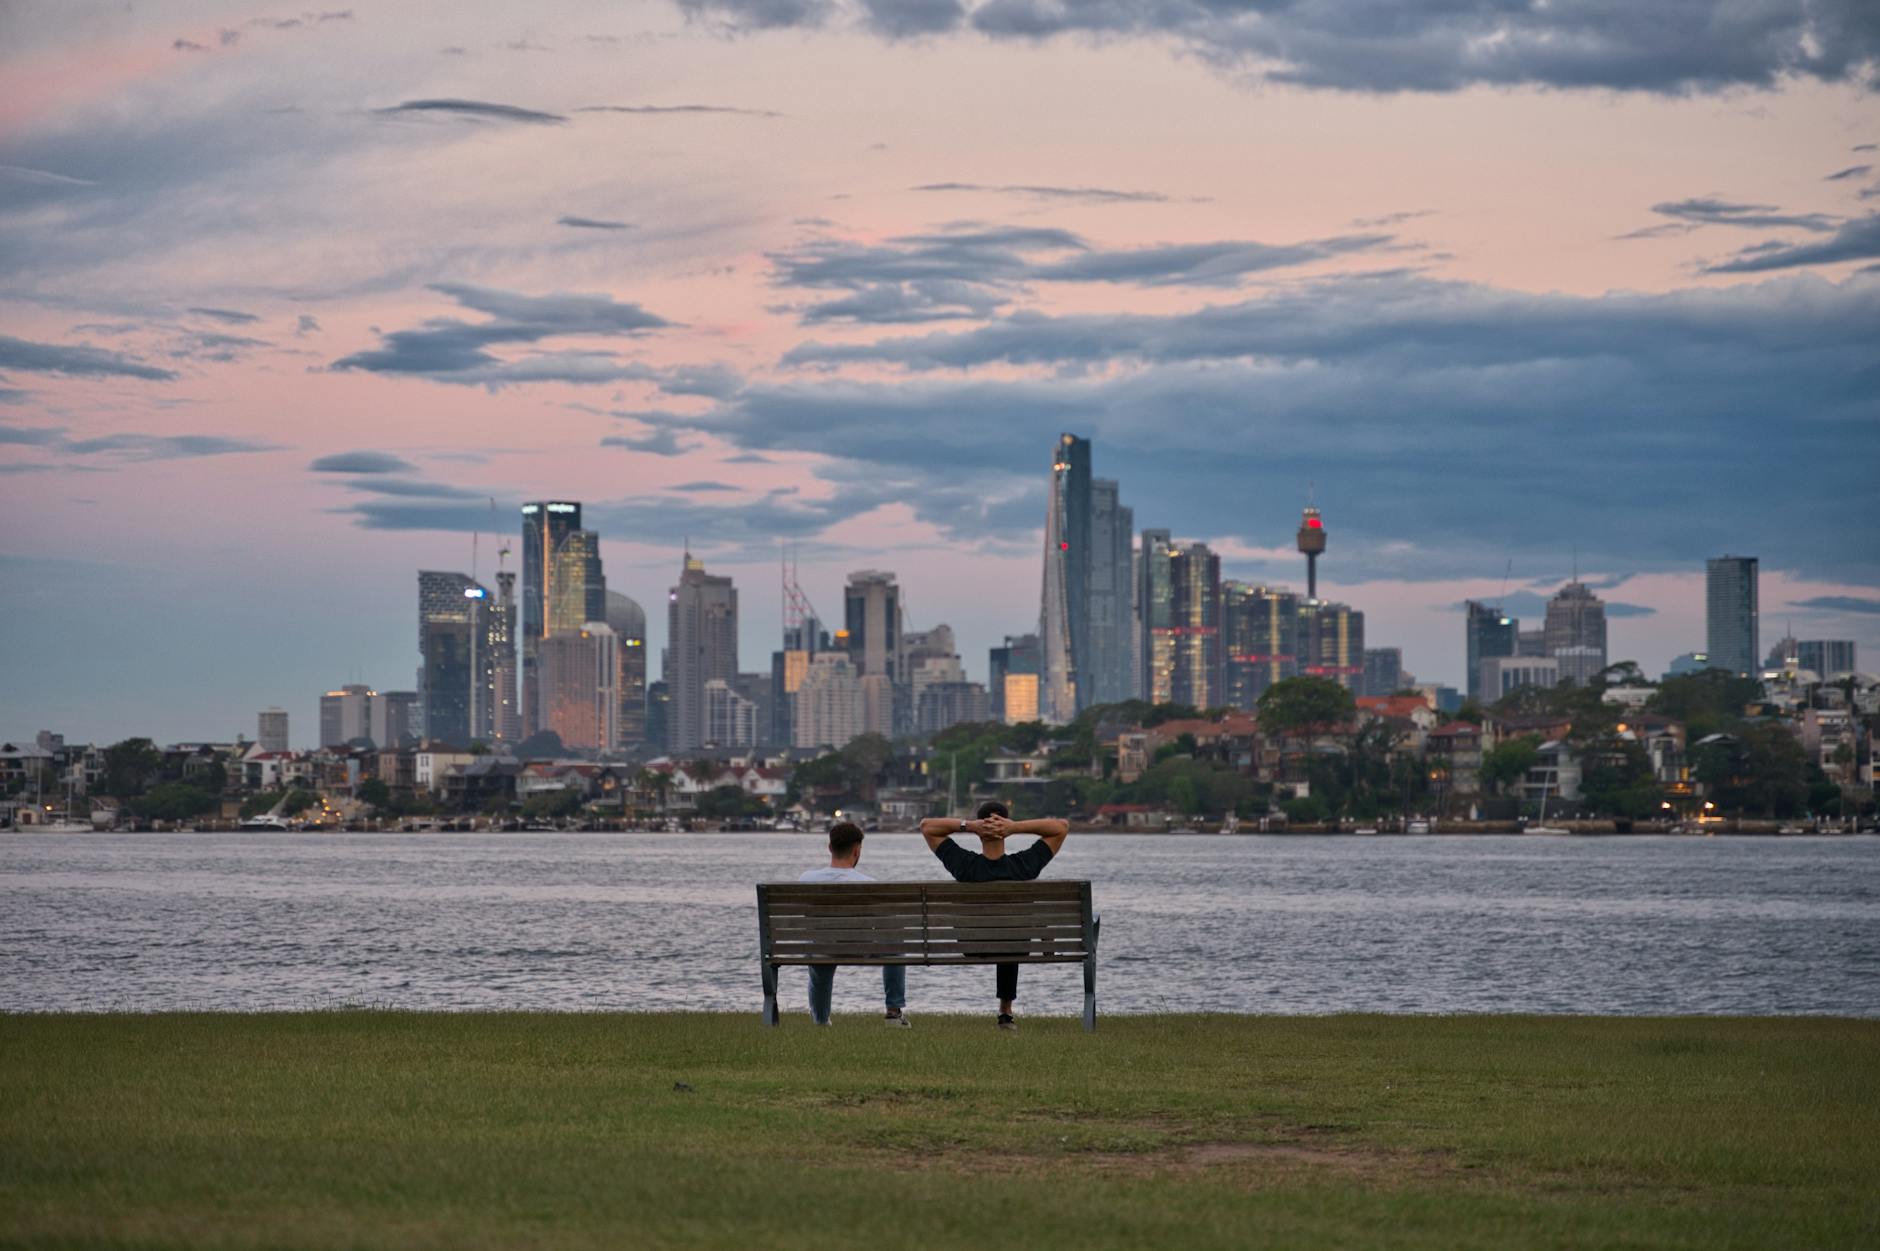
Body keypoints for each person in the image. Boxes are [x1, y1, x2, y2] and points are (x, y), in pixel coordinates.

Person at [918, 801, 1070, 1031]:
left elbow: (927, 826)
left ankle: (1005, 1010)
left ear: (979, 830)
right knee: (1011, 935)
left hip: (972, 945)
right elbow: (1061, 827)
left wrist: (969, 826)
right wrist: (1015, 827)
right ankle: (1005, 1011)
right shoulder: (1024, 866)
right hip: (1016, 946)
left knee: (1007, 934)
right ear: (1005, 828)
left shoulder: (964, 866)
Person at [798, 821, 910, 1028]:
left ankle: (820, 1021)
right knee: (896, 947)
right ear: (857, 850)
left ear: (830, 848)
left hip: (821, 949)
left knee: (818, 949)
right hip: (861, 948)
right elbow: (887, 927)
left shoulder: (806, 879)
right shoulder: (870, 884)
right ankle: (894, 1013)